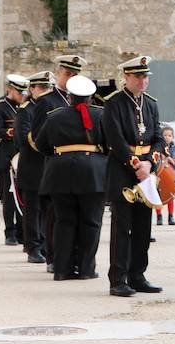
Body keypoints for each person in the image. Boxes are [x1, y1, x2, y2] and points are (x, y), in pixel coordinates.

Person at [102, 55, 165, 297]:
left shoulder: (151, 104)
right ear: (126, 77)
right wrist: (135, 164)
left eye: (145, 76)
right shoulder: (114, 103)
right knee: (122, 228)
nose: (143, 81)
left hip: (146, 173)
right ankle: (118, 279)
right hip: (122, 171)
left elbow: (158, 139)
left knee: (142, 228)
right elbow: (115, 140)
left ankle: (138, 275)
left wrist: (149, 163)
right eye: (138, 76)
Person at [35, 75, 108, 280]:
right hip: (92, 173)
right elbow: (110, 144)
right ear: (91, 98)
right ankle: (86, 269)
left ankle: (62, 269)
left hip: (60, 173)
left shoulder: (54, 116)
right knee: (91, 223)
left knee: (64, 222)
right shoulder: (101, 115)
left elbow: (41, 145)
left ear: (69, 97)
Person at [30, 54, 86, 273]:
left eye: (75, 74)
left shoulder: (84, 99)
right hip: (55, 164)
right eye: (67, 73)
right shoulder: (47, 101)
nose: (71, 77)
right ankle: (53, 257)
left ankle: (75, 256)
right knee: (54, 216)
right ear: (59, 73)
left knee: (78, 215)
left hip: (80, 167)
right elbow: (37, 138)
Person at [16, 71, 53, 263]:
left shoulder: (49, 107)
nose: (45, 91)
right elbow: (22, 138)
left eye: (47, 87)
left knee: (48, 210)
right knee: (33, 210)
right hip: (32, 166)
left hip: (48, 166)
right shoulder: (25, 110)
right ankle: (32, 246)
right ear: (32, 89)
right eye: (41, 88)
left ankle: (46, 244)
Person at [0, 74, 28, 245]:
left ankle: (22, 231)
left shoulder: (26, 106)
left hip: (22, 157)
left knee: (23, 196)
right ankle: (10, 232)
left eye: (23, 92)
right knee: (9, 197)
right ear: (10, 90)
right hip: (6, 156)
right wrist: (16, 132)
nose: (22, 95)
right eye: (19, 92)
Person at [156, 126, 175, 226]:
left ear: (172, 137)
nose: (167, 137)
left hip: (170, 176)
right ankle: (159, 217)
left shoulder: (174, 148)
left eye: (169, 135)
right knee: (158, 197)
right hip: (159, 175)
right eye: (165, 135)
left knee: (170, 196)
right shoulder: (158, 147)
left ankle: (171, 216)